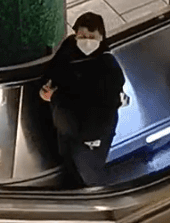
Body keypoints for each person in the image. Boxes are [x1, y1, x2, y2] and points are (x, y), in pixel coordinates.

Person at [40, 12, 128, 188]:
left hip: (90, 138)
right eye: (82, 36)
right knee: (69, 161)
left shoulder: (109, 68)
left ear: (101, 37)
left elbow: (95, 105)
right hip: (67, 128)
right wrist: (47, 85)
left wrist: (54, 97)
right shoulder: (69, 47)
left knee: (89, 174)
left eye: (92, 36)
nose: (86, 41)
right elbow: (55, 70)